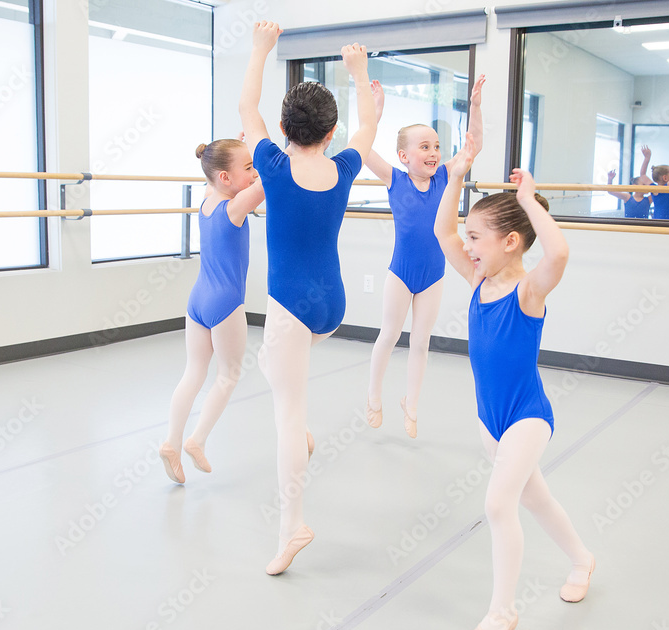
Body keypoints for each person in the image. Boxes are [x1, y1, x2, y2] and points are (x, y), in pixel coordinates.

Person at [434, 133, 595, 630]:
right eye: (469, 238)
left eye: (477, 237)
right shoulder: (480, 279)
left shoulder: (528, 291)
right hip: (490, 421)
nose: (468, 246)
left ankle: (502, 612)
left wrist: (527, 200)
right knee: (538, 499)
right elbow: (441, 232)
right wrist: (456, 174)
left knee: (498, 504)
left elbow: (561, 251)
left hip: (528, 417)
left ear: (511, 242)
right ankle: (582, 559)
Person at [239, 21, 378, 575]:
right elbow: (370, 124)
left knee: (286, 411)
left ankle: (291, 525)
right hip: (332, 305)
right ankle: (302, 434)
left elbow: (246, 102)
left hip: (291, 302)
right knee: (272, 365)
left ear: (281, 128)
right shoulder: (344, 167)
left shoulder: (272, 166)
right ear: (332, 131)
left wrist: (260, 49)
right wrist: (360, 74)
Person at [364, 74, 486, 438]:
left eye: (436, 146)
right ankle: (373, 397)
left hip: (434, 274)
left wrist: (475, 107)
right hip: (400, 273)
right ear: (404, 156)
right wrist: (377, 112)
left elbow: (473, 146)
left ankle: (411, 405)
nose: (433, 152)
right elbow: (363, 149)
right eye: (424, 147)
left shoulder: (446, 177)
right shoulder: (394, 179)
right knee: (388, 335)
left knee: (421, 341)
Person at [159, 138, 264, 484]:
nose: (254, 173)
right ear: (224, 177)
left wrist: (241, 150)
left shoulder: (206, 201)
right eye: (248, 168)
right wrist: (295, 149)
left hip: (198, 300)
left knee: (193, 373)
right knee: (228, 375)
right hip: (225, 303)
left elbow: (226, 173)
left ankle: (171, 443)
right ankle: (196, 440)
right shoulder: (234, 209)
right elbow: (271, 182)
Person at [637, 144, 669, 219]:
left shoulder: (654, 188)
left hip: (663, 221)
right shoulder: (665, 188)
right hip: (661, 222)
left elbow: (643, 174)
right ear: (665, 178)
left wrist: (647, 158)